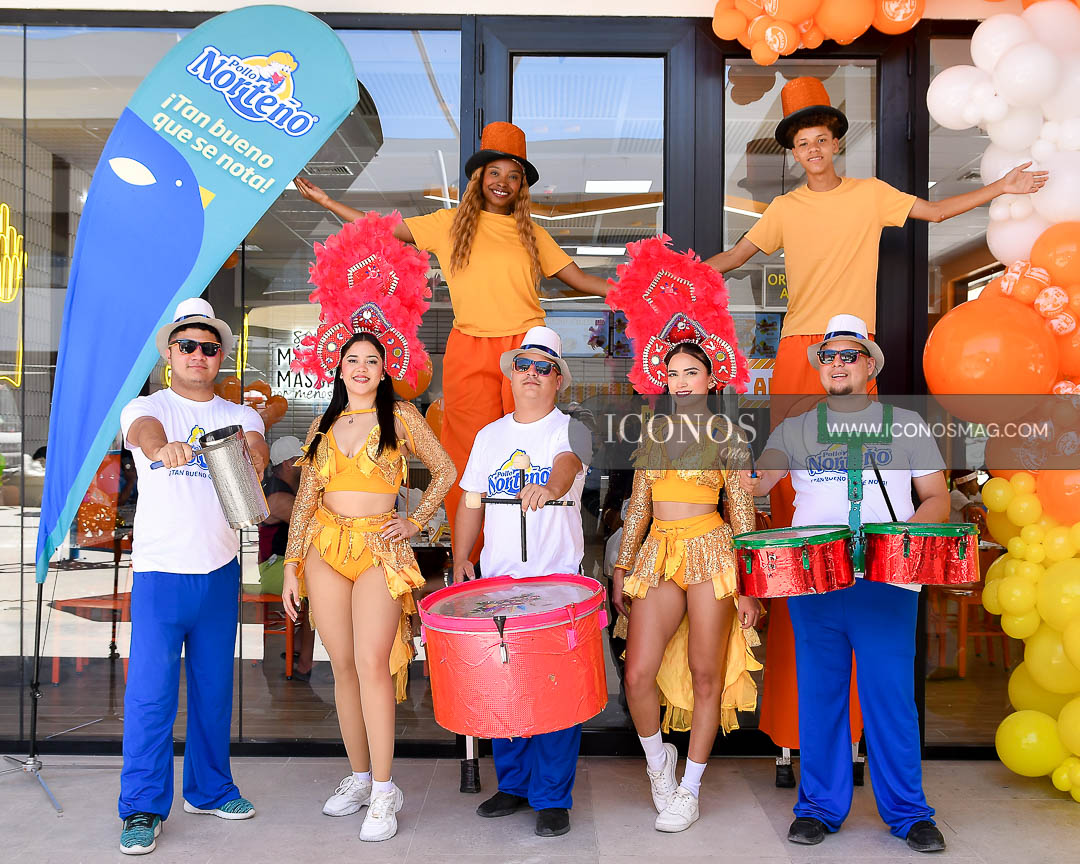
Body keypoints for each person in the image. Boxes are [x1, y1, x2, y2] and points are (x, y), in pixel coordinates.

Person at [704, 75, 1046, 765]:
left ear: (836, 142)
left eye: (821, 139)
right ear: (794, 153)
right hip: (797, 354)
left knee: (869, 512)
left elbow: (936, 212)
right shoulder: (783, 208)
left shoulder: (870, 195)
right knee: (793, 519)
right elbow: (734, 259)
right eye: (801, 143)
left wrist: (1000, 188)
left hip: (847, 351)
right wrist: (669, 285)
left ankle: (859, 729)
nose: (812, 151)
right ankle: (795, 730)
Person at [296, 121, 609, 566]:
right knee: (467, 452)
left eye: (513, 176)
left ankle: (532, 555)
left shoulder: (532, 234)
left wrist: (635, 293)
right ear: (479, 178)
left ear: (522, 186)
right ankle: (473, 560)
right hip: (469, 345)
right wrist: (328, 202)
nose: (503, 182)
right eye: (494, 173)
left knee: (533, 445)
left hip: (524, 348)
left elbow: (578, 279)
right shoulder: (448, 225)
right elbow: (381, 230)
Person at [739, 314, 950, 853]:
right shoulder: (795, 429)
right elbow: (756, 482)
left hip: (885, 581)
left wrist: (903, 542)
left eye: (848, 355)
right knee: (820, 695)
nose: (836, 363)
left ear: (869, 367)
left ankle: (909, 813)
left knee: (891, 698)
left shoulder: (906, 425)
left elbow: (937, 497)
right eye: (828, 356)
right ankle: (817, 808)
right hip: (815, 579)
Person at [281, 330, 454, 842]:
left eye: (371, 360)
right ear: (339, 368)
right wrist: (292, 563)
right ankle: (359, 778)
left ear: (383, 370)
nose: (361, 367)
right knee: (342, 666)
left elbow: (445, 470)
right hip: (325, 549)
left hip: (380, 549)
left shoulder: (400, 415)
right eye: (352, 359)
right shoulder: (323, 422)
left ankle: (383, 790)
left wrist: (415, 520)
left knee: (372, 663)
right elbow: (306, 498)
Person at [117, 297, 269, 856]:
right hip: (161, 572)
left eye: (209, 347)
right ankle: (141, 806)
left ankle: (210, 790)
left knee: (213, 691)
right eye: (187, 345)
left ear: (221, 357)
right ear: (170, 353)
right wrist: (163, 448)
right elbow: (145, 431)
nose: (198, 354)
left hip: (219, 570)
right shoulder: (146, 407)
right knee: (150, 696)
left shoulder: (241, 415)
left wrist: (255, 455)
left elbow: (255, 445)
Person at [612, 342, 762, 833]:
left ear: (711, 380)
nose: (680, 382)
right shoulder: (652, 433)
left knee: (705, 673)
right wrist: (622, 566)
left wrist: (748, 585)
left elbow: (742, 511)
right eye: (673, 373)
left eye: (691, 372)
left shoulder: (729, 436)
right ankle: (659, 764)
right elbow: (639, 506)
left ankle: (690, 789)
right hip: (658, 553)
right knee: (637, 674)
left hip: (711, 552)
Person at [452, 325, 588, 838]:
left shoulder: (572, 429)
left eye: (543, 367)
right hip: (498, 584)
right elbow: (471, 500)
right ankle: (513, 784)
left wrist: (548, 487)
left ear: (558, 380)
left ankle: (552, 796)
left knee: (555, 692)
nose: (532, 374)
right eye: (523, 365)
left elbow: (567, 464)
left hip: (557, 586)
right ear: (511, 375)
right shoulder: (489, 437)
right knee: (504, 687)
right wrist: (462, 557)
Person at [256, 436, 314, 680]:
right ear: (289, 464)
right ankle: (304, 663)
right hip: (273, 570)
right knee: (319, 591)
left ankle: (298, 646)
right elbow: (311, 528)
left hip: (282, 564)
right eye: (302, 460)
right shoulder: (279, 496)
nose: (308, 465)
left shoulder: (286, 489)